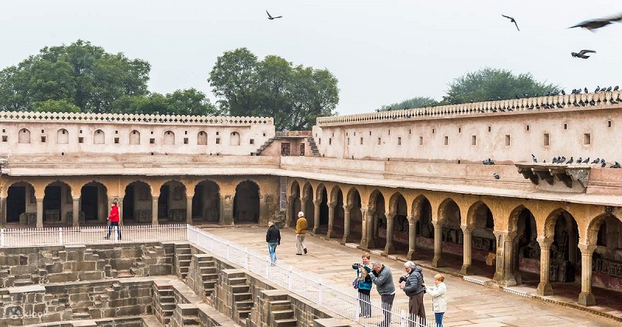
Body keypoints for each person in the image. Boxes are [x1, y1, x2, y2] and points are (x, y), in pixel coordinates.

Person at [364, 262, 395, 327]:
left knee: (386, 308)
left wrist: (372, 275)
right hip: (384, 292)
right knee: (385, 308)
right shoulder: (382, 269)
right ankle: (386, 321)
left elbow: (378, 282)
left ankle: (386, 323)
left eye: (375, 269)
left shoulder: (385, 272)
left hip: (388, 293)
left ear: (379, 267)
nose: (375, 271)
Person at [400, 261, 426, 325]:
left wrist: (404, 288)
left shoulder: (413, 275)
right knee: (421, 312)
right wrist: (406, 279)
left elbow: (413, 287)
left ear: (411, 267)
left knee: (413, 313)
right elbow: (416, 282)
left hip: (415, 295)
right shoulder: (417, 272)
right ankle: (423, 325)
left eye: (406, 268)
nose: (405, 270)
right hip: (420, 293)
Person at [352, 253, 372, 317]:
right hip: (360, 284)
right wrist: (355, 265)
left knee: (367, 299)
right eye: (363, 259)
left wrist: (364, 266)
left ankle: (368, 313)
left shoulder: (370, 266)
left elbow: (370, 271)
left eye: (365, 259)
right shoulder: (361, 265)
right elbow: (354, 267)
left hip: (367, 285)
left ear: (368, 259)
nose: (364, 261)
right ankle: (363, 312)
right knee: (361, 299)